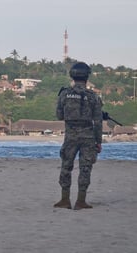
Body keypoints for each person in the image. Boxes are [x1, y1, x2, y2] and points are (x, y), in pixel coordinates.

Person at [54, 62, 103, 210]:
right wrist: (98, 141)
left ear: (72, 76)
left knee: (66, 167)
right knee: (85, 168)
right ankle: (81, 201)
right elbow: (98, 122)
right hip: (88, 136)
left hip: (70, 135)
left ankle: (65, 200)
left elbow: (59, 115)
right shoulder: (93, 96)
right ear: (87, 77)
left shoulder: (64, 94)